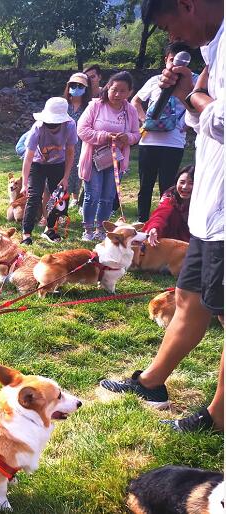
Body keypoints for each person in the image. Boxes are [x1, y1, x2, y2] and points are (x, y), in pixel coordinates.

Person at [100, 0, 223, 433]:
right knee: (189, 299)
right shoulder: (212, 50)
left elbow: (221, 117)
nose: (179, 40)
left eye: (174, 26)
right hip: (210, 210)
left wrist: (193, 94)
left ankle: (219, 416)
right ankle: (152, 382)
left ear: (189, 4)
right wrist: (188, 95)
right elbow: (203, 122)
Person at [131, 42, 195, 222]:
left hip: (173, 142)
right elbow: (135, 101)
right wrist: (144, 119)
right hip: (148, 141)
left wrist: (187, 123)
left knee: (168, 185)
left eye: (181, 62)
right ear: (166, 60)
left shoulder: (193, 81)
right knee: (145, 185)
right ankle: (142, 220)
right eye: (172, 60)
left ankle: (165, 220)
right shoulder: (155, 80)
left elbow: (196, 105)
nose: (176, 65)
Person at [77, 71, 140, 241]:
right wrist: (104, 136)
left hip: (115, 159)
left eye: (122, 91)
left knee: (108, 196)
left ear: (130, 92)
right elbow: (82, 130)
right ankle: (88, 229)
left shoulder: (130, 111)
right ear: (108, 88)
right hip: (94, 158)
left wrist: (129, 138)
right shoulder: (95, 106)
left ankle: (102, 229)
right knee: (93, 194)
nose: (118, 94)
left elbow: (136, 134)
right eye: (114, 90)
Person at [19, 97, 77, 244]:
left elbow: (70, 152)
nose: (51, 124)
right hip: (37, 164)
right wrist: (25, 183)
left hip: (58, 164)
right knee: (34, 196)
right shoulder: (37, 128)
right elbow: (28, 157)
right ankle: (26, 234)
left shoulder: (70, 126)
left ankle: (50, 229)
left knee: (58, 197)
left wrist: (65, 177)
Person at [143, 165, 194, 244]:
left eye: (191, 183)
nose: (185, 187)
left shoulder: (205, 200)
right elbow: (160, 214)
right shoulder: (170, 196)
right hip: (169, 241)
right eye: (182, 182)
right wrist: (154, 228)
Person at [63, 72, 91, 208]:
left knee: (77, 169)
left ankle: (75, 197)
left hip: (81, 143)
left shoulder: (88, 107)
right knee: (63, 169)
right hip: (62, 142)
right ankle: (63, 195)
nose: (76, 88)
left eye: (80, 86)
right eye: (73, 85)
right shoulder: (63, 104)